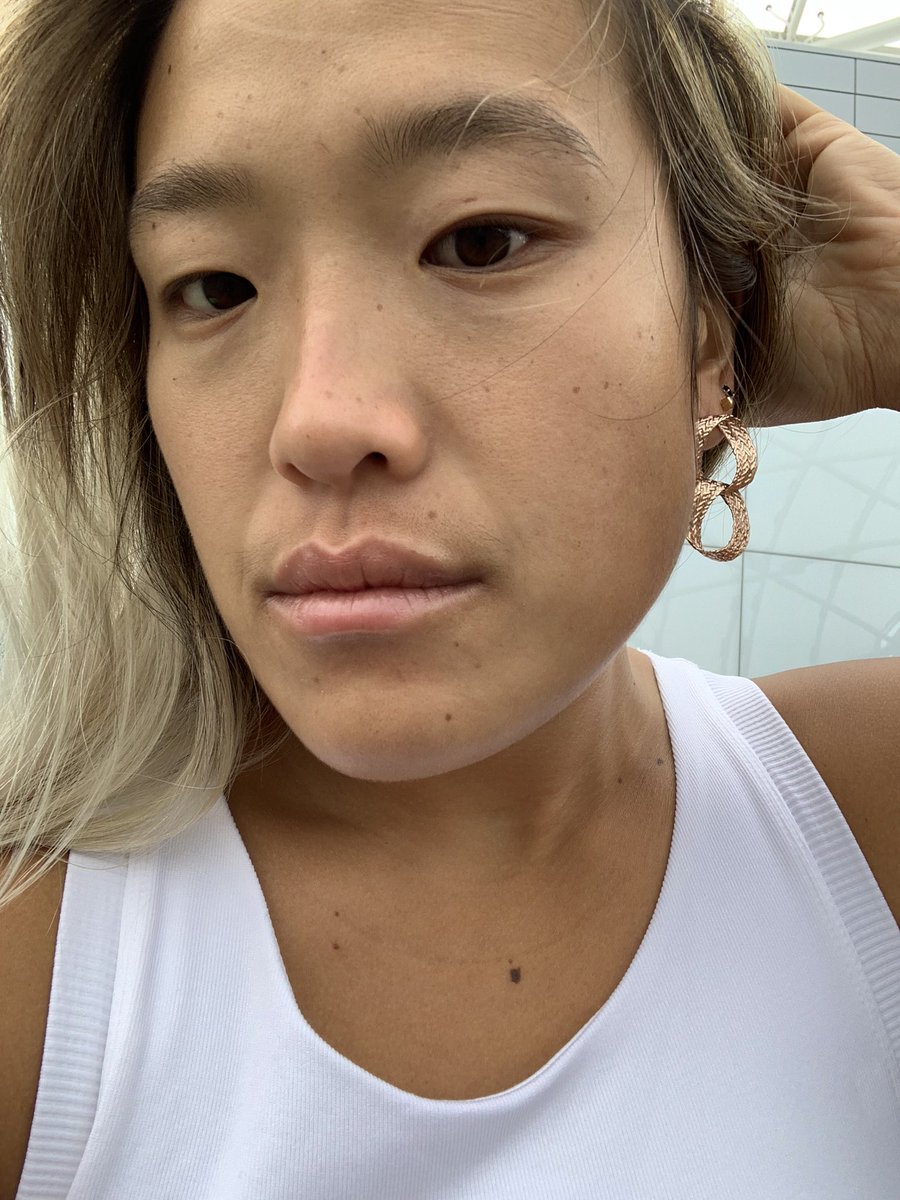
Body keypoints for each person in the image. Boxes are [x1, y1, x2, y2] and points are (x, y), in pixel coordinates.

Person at [0, 0, 897, 1196]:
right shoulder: (35, 960)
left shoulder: (864, 819)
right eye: (213, 286)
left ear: (708, 324)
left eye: (480, 242)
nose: (318, 422)